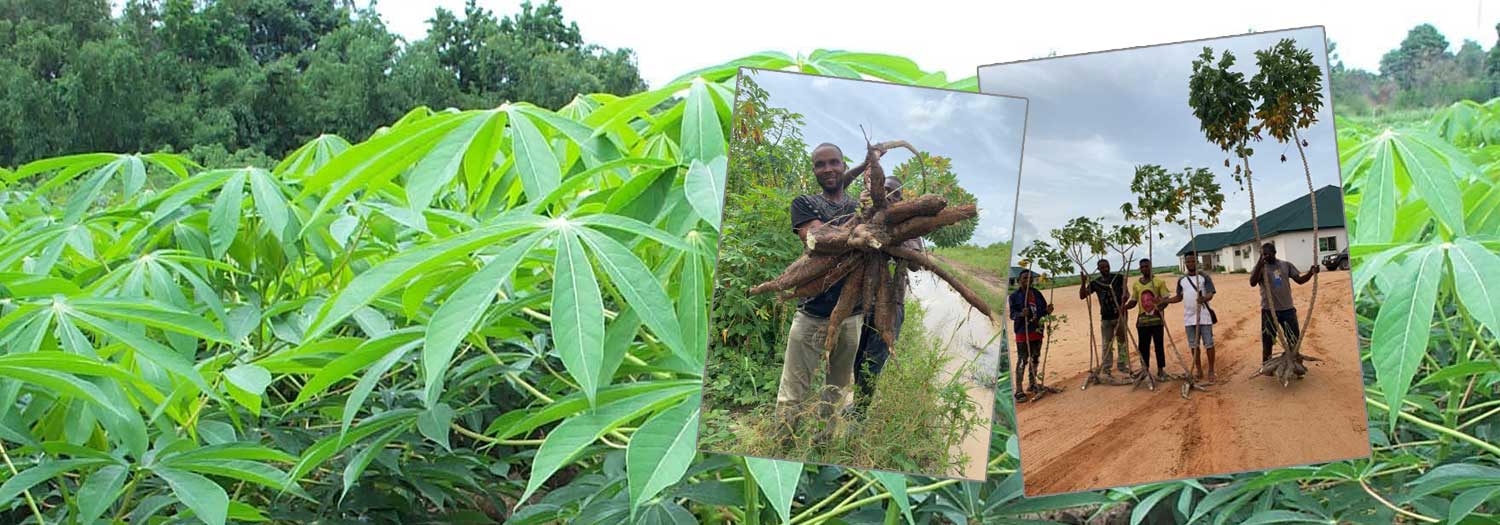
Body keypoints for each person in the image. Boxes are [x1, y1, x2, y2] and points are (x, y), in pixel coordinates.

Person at [774, 142, 874, 441]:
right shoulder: (804, 203)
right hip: (812, 313)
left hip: (852, 316)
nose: (828, 169)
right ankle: (784, 441)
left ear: (844, 166)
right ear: (814, 171)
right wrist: (862, 231)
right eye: (820, 164)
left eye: (834, 162)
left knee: (837, 391)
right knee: (793, 392)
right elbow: (819, 238)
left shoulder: (860, 205)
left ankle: (823, 442)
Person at [850, 176, 922, 416]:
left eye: (893, 192)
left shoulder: (908, 227)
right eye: (884, 190)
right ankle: (856, 406)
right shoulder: (867, 218)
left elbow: (915, 265)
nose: (887, 195)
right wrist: (862, 214)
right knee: (858, 360)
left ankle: (859, 416)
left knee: (873, 363)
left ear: (900, 199)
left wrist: (892, 242)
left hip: (890, 306)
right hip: (862, 305)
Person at [1249, 242, 1318, 362]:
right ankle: (1267, 365)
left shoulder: (1285, 265)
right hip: (1269, 311)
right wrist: (1259, 265)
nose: (1264, 257)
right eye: (1262, 254)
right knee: (1268, 340)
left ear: (1274, 253)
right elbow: (1252, 283)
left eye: (1267, 254)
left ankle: (1295, 363)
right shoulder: (1260, 268)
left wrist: (1311, 273)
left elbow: (1300, 280)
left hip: (1287, 309)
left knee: (1293, 338)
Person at [1166, 255, 1217, 380]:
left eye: (1192, 261)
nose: (1190, 263)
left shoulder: (1204, 277)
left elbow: (1210, 293)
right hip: (1189, 317)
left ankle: (1211, 370)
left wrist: (1204, 298)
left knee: (1209, 343)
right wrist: (1165, 301)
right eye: (1187, 261)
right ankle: (1199, 370)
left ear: (1196, 262)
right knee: (1194, 345)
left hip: (1204, 315)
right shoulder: (1182, 280)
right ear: (1185, 263)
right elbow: (1179, 297)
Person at [1078, 259, 1130, 376]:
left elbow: (1127, 293)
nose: (1105, 269)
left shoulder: (1118, 278)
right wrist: (1083, 282)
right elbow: (1082, 296)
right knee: (1107, 344)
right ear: (1098, 269)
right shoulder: (1096, 283)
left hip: (1120, 315)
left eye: (1106, 266)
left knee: (1122, 342)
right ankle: (1106, 368)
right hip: (1106, 318)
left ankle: (1122, 365)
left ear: (1109, 266)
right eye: (1102, 267)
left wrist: (1125, 296)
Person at [1121, 258, 1170, 381]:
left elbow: (1166, 299)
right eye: (1142, 267)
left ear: (1151, 267)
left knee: (1158, 345)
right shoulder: (1137, 284)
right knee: (1143, 347)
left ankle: (1160, 370)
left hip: (1157, 321)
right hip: (1142, 322)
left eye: (1146, 266)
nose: (1144, 269)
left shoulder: (1159, 282)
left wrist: (1161, 305)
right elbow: (1133, 301)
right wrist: (1124, 307)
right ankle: (1145, 369)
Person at [1008, 269, 1053, 399]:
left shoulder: (1037, 293)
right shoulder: (1014, 296)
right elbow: (1012, 315)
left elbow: (1043, 311)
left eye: (1030, 278)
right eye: (1025, 278)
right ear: (1019, 281)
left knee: (1035, 358)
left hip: (1037, 331)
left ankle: (1032, 384)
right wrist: (1021, 314)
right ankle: (1019, 390)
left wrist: (1048, 311)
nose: (1028, 280)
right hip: (1023, 332)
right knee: (1022, 360)